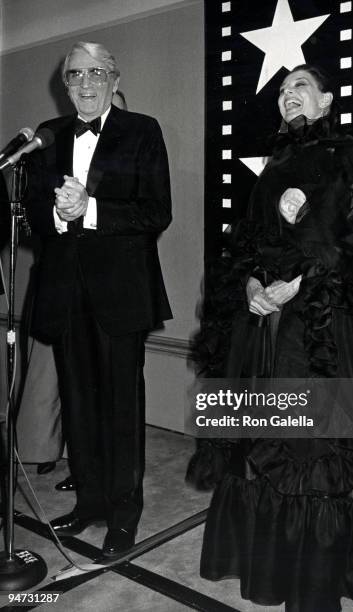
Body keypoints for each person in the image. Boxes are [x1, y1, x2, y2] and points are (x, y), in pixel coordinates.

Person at [187, 65, 353, 611]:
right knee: (269, 437)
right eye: (281, 91)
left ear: (325, 101)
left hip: (323, 324)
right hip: (269, 327)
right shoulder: (273, 165)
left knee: (322, 442)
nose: (288, 97)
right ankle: (275, 566)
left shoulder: (346, 154)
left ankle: (327, 574)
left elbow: (346, 242)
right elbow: (248, 240)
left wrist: (292, 286)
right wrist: (253, 282)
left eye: (300, 86)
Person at [24, 41, 172, 558]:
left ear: (113, 78)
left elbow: (156, 213)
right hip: (65, 294)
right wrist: (57, 214)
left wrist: (89, 209)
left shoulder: (142, 130)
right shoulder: (48, 135)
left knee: (120, 409)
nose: (85, 84)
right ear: (64, 84)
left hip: (121, 295)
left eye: (95, 73)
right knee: (80, 405)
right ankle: (89, 503)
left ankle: (124, 515)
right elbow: (35, 219)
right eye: (74, 75)